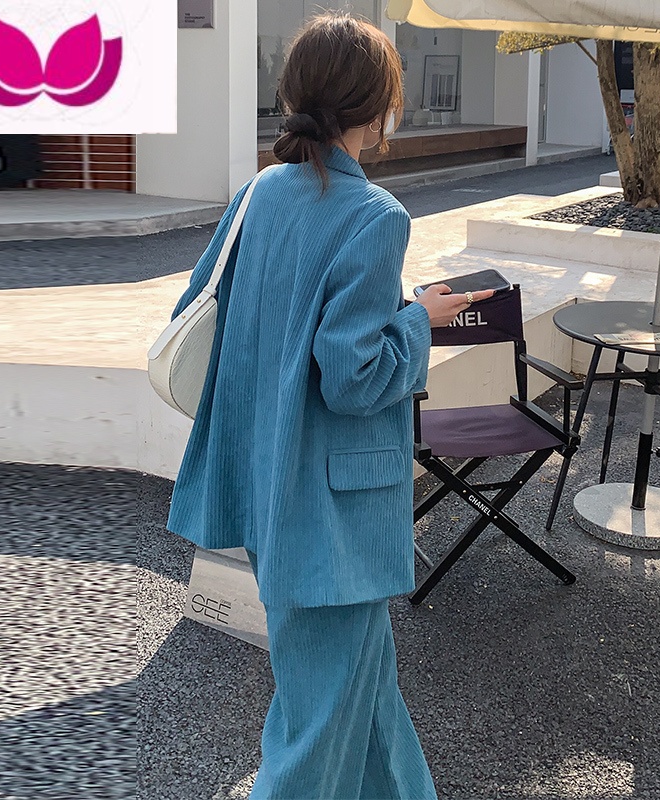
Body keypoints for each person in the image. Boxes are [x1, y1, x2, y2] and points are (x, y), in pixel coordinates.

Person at [167, 11, 492, 799]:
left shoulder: (258, 193)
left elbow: (203, 310)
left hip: (263, 476)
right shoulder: (373, 215)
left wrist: (387, 315)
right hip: (329, 509)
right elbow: (355, 378)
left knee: (361, 689)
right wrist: (419, 320)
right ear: (376, 108)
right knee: (315, 724)